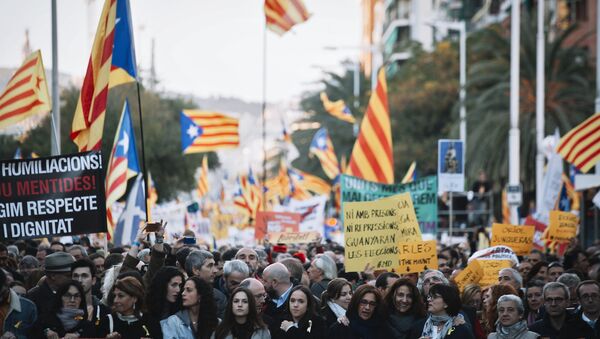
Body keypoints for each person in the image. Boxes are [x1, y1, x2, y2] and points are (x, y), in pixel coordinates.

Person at [410, 284, 474, 339]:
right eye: (429, 296)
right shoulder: (418, 326)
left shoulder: (460, 328)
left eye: (435, 297)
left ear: (446, 303)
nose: (429, 299)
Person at [26, 252, 75, 323]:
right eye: (68, 275)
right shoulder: (34, 297)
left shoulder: (75, 293)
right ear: (53, 276)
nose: (72, 279)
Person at [145, 266, 185, 339]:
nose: (178, 290)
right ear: (162, 285)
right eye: (174, 285)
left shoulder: (181, 311)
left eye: (180, 285)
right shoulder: (147, 311)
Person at [71, 258, 109, 333]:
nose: (79, 280)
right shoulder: (62, 309)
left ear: (93, 280)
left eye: (84, 276)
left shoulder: (104, 311)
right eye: (75, 276)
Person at [186, 249, 227, 318]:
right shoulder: (178, 293)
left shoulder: (219, 297)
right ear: (196, 270)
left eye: (214, 265)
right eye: (210, 266)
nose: (215, 270)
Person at [0, 268, 37, 339]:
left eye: (1, 294)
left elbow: (36, 335)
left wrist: (17, 337)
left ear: (7, 285)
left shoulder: (27, 307)